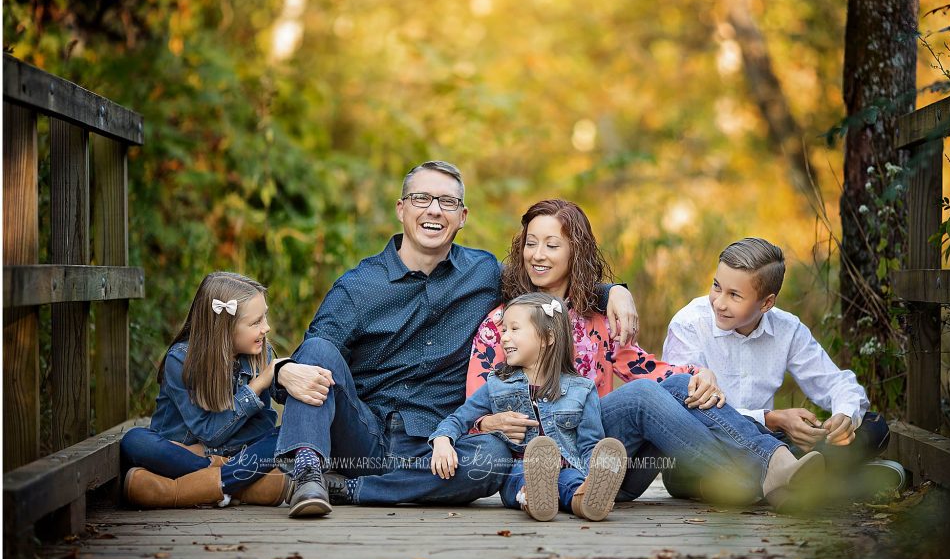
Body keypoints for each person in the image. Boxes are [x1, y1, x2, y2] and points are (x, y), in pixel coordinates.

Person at [272, 162, 640, 517]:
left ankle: (352, 491)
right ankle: (307, 473)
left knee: (494, 457)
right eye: (421, 199)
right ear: (401, 209)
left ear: (462, 216)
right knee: (319, 349)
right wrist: (282, 371)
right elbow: (310, 362)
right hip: (363, 436)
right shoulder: (358, 287)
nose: (434, 210)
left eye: (447, 202)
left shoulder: (482, 272)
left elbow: (544, 275)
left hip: (440, 448)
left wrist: (612, 292)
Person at [467, 200, 824, 510]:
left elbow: (646, 368)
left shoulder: (601, 318)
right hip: (540, 465)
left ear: (575, 252)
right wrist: (487, 422)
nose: (538, 255)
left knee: (680, 383)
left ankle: (773, 465)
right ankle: (760, 475)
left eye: (551, 245)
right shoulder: (502, 324)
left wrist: (698, 374)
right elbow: (474, 408)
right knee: (641, 397)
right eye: (531, 244)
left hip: (606, 460)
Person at [662, 237, 904, 496]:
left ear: (766, 303)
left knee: (874, 426)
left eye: (734, 295)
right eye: (716, 287)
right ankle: (847, 483)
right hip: (709, 446)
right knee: (682, 471)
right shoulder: (689, 324)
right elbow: (685, 409)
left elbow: (837, 382)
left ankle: (787, 481)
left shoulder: (788, 329)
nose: (719, 303)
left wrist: (843, 417)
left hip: (772, 444)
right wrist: (773, 418)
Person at [432, 292, 628, 521]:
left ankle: (586, 501)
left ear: (548, 337)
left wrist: (592, 474)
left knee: (571, 482)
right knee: (521, 478)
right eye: (503, 330)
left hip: (567, 467)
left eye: (514, 329)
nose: (504, 337)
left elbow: (588, 445)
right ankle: (534, 498)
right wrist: (442, 440)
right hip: (516, 468)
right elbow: (458, 419)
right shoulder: (497, 384)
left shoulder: (581, 389)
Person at [121, 272, 290, 509]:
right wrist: (256, 386)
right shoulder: (180, 360)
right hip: (178, 456)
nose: (267, 327)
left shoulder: (261, 355)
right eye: (255, 322)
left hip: (206, 455)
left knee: (290, 433)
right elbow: (209, 431)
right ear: (224, 327)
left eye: (265, 317)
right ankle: (237, 485)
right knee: (135, 441)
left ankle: (188, 488)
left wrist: (205, 451)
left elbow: (263, 424)